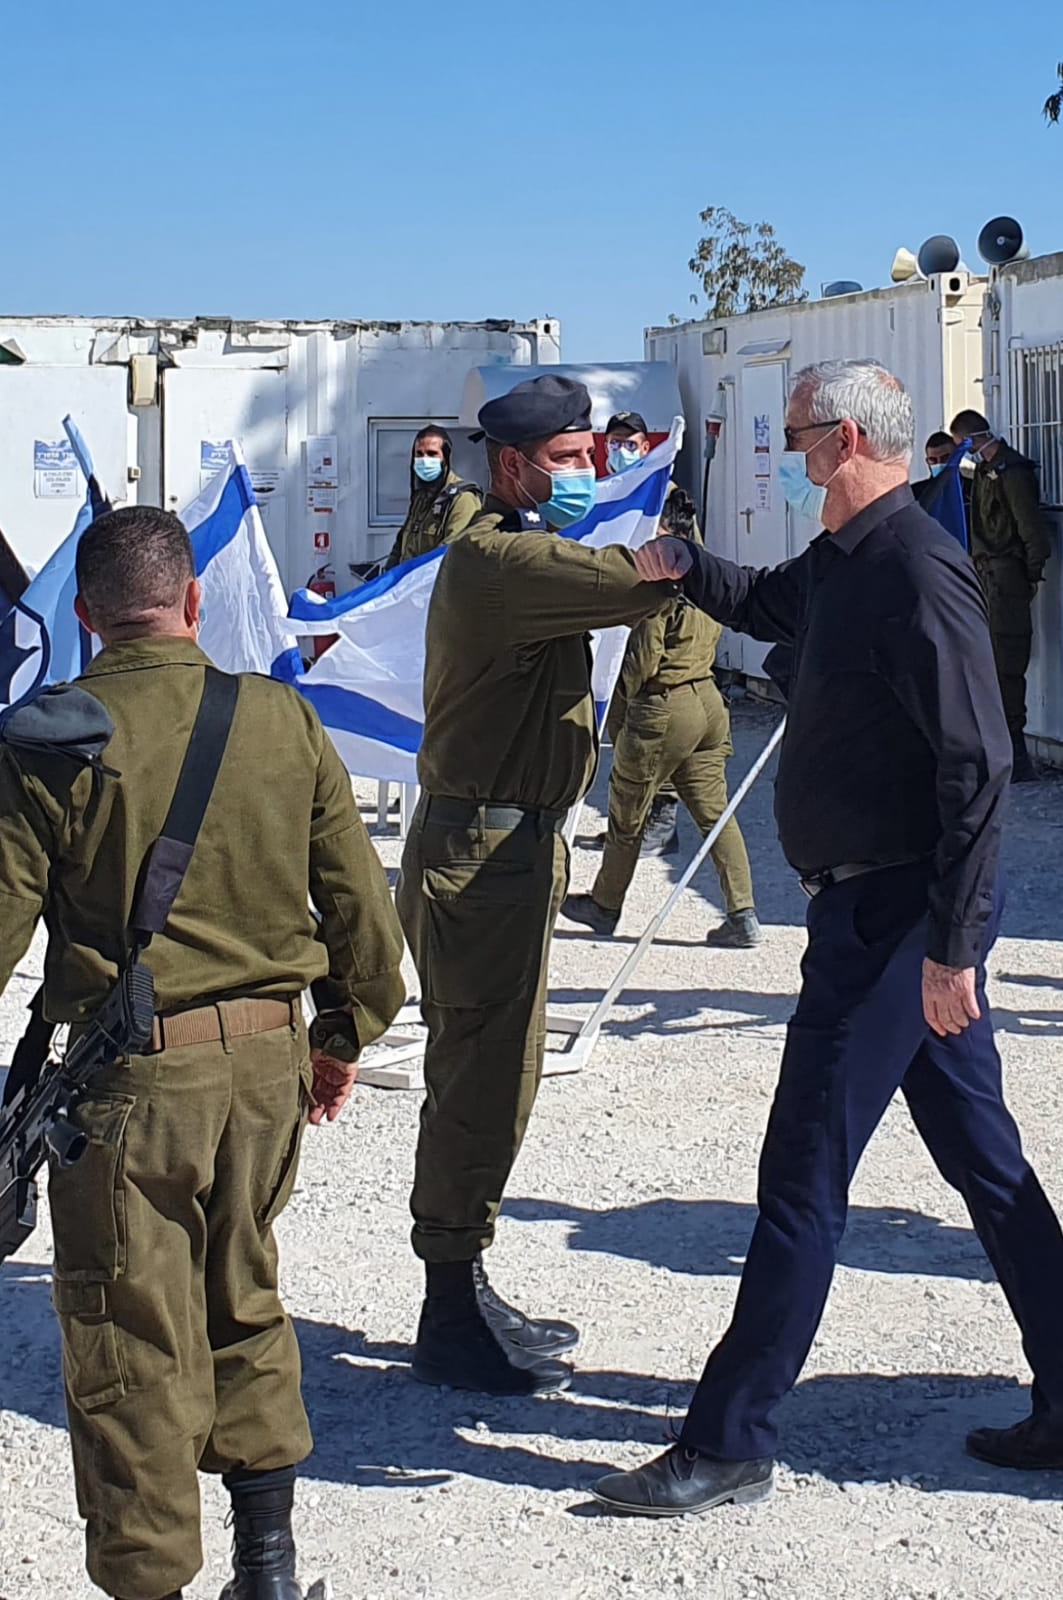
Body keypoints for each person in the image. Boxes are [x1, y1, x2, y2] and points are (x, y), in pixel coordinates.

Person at [593, 359, 1063, 1518]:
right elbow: (764, 603)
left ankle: (728, 1438)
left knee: (802, 1172)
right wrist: (679, 563)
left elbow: (976, 766)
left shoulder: (916, 569)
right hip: (867, 912)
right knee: (988, 1166)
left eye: (792, 437)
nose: (784, 455)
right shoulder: (841, 558)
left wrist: (952, 948)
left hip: (893, 923)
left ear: (841, 440)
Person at [0, 506, 405, 1600]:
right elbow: (362, 909)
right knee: (244, 1294)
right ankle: (268, 1570)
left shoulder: (59, 738)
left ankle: (154, 1582)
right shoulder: (281, 717)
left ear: (84, 614)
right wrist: (345, 1033)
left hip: (135, 1088)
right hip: (267, 1075)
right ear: (193, 600)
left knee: (129, 1340)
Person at [396, 374, 680, 1396]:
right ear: (512, 465)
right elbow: (638, 584)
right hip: (482, 856)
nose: (586, 472)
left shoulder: (514, 548)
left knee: (501, 1075)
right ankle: (448, 1309)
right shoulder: (499, 559)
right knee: (477, 1084)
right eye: (567, 460)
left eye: (590, 457)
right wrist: (686, 554)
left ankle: (465, 1282)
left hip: (508, 847)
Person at [560, 486, 761, 948]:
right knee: (715, 813)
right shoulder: (706, 571)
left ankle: (605, 904)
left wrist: (615, 707)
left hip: (663, 704)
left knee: (627, 813)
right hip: (706, 699)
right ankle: (742, 911)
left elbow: (643, 659)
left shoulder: (662, 581)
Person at [949, 409, 1050, 782]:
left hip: (1006, 576)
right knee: (988, 661)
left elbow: (1031, 530)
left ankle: (1016, 753)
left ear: (972, 440)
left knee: (1008, 659)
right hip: (987, 575)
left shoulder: (1011, 471)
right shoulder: (986, 471)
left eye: (962, 445)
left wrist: (1030, 575)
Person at [598, 410, 680, 857]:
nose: (621, 450)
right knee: (619, 728)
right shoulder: (611, 492)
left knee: (647, 737)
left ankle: (661, 817)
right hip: (618, 619)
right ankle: (625, 824)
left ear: (647, 448)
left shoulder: (668, 496)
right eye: (615, 442)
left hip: (655, 622)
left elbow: (685, 565)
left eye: (630, 444)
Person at [383, 423, 483, 570]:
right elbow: (401, 543)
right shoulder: (421, 498)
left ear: (445, 458)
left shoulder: (463, 499)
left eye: (432, 454)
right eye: (419, 454)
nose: (424, 460)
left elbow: (449, 554)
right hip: (409, 580)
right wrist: (389, 576)